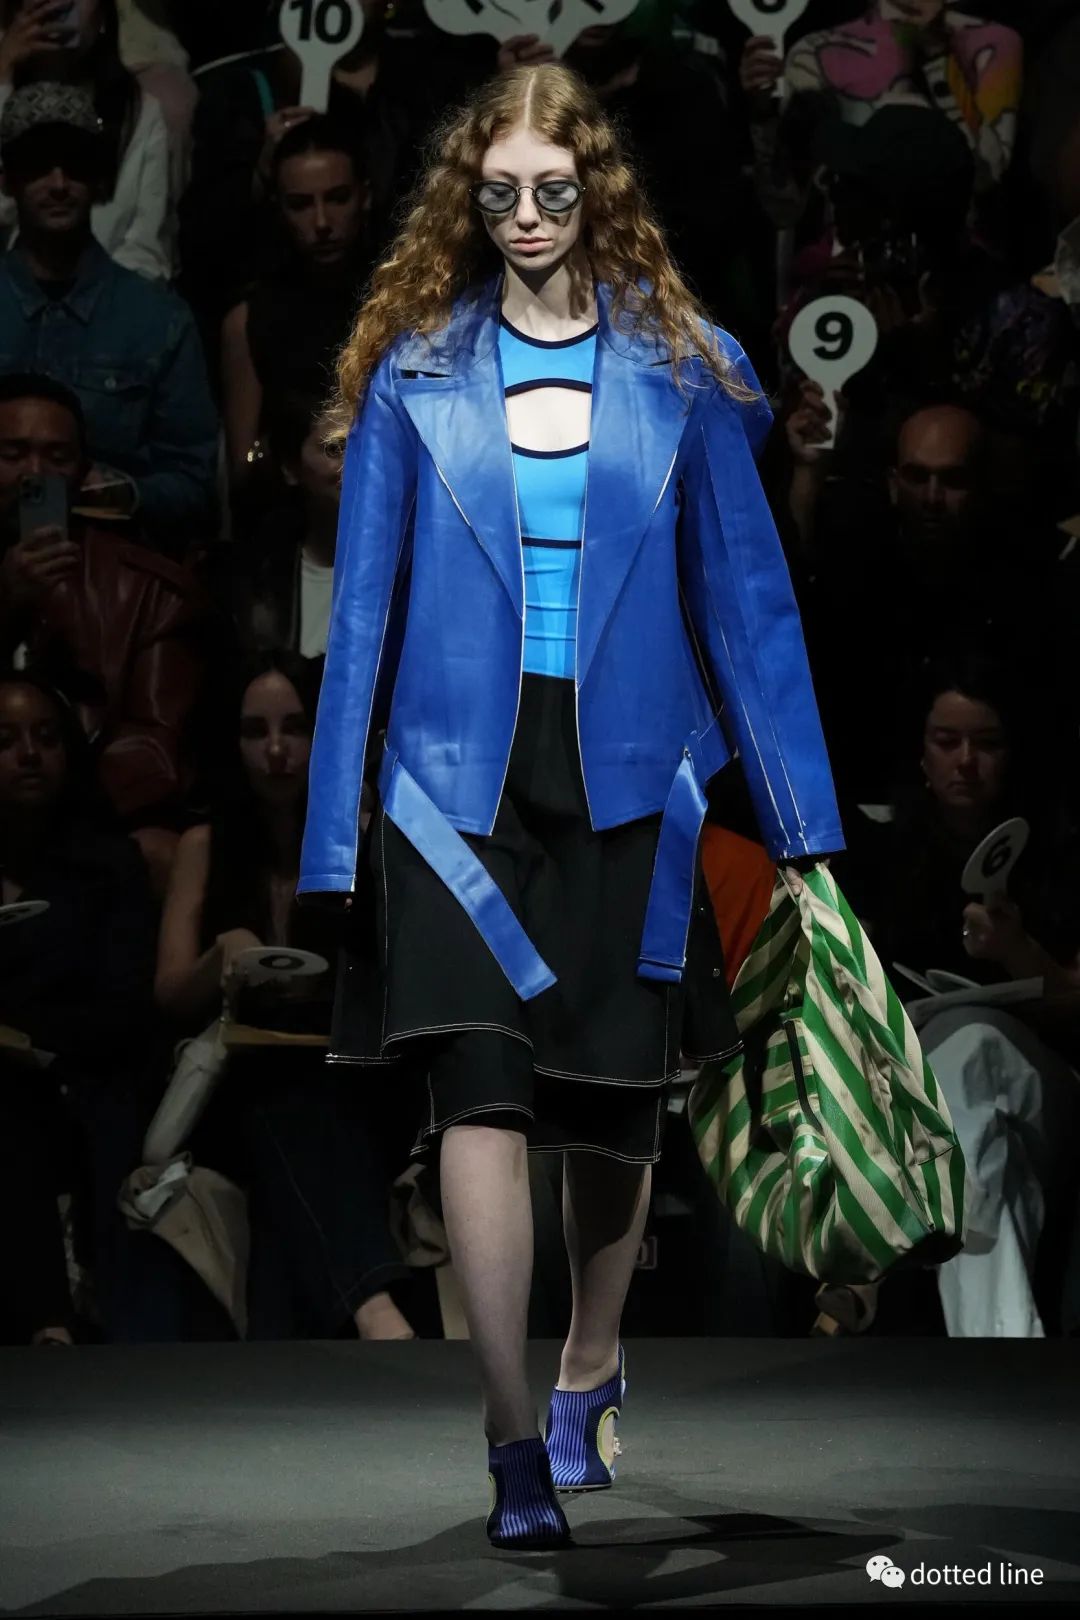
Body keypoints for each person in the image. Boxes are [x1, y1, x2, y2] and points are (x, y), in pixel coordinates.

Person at [299, 61, 843, 1548]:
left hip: (632, 773)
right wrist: (334, 841)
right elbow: (363, 617)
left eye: (552, 188)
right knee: (478, 1093)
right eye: (500, 195)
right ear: (467, 204)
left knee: (610, 1105)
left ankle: (589, 1365)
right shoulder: (413, 370)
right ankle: (506, 1438)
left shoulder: (687, 367)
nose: (528, 217)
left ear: (595, 186)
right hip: (452, 778)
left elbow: (747, 601)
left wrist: (803, 828)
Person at [154, 651, 420, 1343]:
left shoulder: (358, 831)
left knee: (296, 1158)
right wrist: (223, 953)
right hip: (240, 1082)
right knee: (279, 1099)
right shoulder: (206, 843)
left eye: (294, 728)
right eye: (255, 731)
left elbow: (408, 972)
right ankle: (377, 1310)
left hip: (350, 1076)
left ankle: (283, 1357)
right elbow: (170, 994)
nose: (275, 750)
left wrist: (367, 850)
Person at [835, 655, 1080, 1337]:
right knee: (980, 1156)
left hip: (1045, 1095)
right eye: (948, 742)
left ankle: (872, 1261)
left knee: (973, 1044)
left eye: (987, 744)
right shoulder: (883, 856)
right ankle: (1003, 1348)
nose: (966, 762)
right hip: (916, 1102)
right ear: (922, 753)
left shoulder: (1061, 854)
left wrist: (1015, 952)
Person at [0, 372, 209, 891]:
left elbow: (154, 754)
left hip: (94, 825)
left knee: (160, 852)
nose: (35, 473)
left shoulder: (147, 591)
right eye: (13, 454)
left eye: (56, 457)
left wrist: (47, 796)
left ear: (83, 472)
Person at [0, 671, 159, 1346]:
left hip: (87, 1072)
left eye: (45, 737)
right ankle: (45, 1319)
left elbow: (125, 1006)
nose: (29, 755)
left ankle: (68, 1325)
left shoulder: (108, 864)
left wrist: (29, 1038)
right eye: (6, 741)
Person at [0, 80, 218, 546]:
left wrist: (126, 494)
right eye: (38, 167)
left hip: (107, 566)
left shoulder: (158, 320)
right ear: (8, 180)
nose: (59, 184)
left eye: (76, 167)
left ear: (100, 179)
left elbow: (196, 483)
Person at [220, 113, 372, 494]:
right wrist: (287, 453)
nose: (321, 222)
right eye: (300, 204)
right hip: (293, 507)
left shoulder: (408, 301)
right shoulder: (251, 319)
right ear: (279, 209)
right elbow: (242, 471)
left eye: (337, 198)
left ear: (364, 196)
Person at [0, 0, 173, 278]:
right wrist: (3, 76)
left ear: (103, 13)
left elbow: (146, 252)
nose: (59, 4)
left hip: (108, 295)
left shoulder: (140, 113)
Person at [220, 393, 341, 657]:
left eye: (366, 444)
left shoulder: (410, 563)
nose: (356, 460)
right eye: (334, 449)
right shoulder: (254, 571)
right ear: (290, 468)